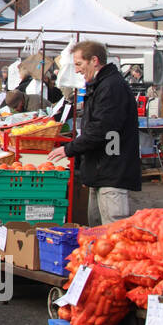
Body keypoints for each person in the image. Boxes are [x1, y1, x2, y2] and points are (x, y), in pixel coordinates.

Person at [47, 40, 141, 225]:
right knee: (98, 231)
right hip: (101, 170)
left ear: (94, 60)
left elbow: (101, 129)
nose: (77, 70)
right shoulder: (101, 85)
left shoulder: (111, 87)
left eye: (80, 64)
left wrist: (69, 149)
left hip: (111, 171)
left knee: (112, 232)